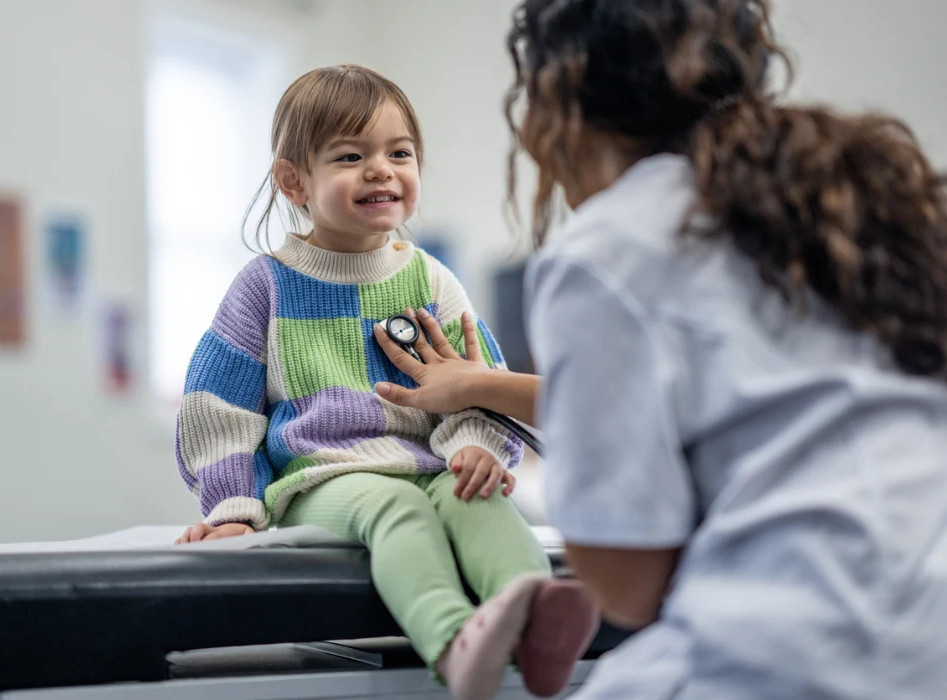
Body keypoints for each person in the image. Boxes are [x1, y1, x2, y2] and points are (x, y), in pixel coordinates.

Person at [374, 1, 947, 698]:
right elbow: (743, 398)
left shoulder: (607, 249)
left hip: (799, 653)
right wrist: (480, 386)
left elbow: (628, 583)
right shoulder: (841, 205)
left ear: (553, 99)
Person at [171, 64, 599, 700]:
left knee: (475, 498)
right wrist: (236, 509)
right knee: (393, 505)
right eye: (351, 155)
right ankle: (455, 644)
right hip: (324, 477)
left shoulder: (431, 279)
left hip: (425, 464)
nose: (381, 169)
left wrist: (474, 447)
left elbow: (479, 376)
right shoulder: (265, 285)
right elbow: (218, 409)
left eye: (400, 153)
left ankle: (534, 616)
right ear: (294, 181)